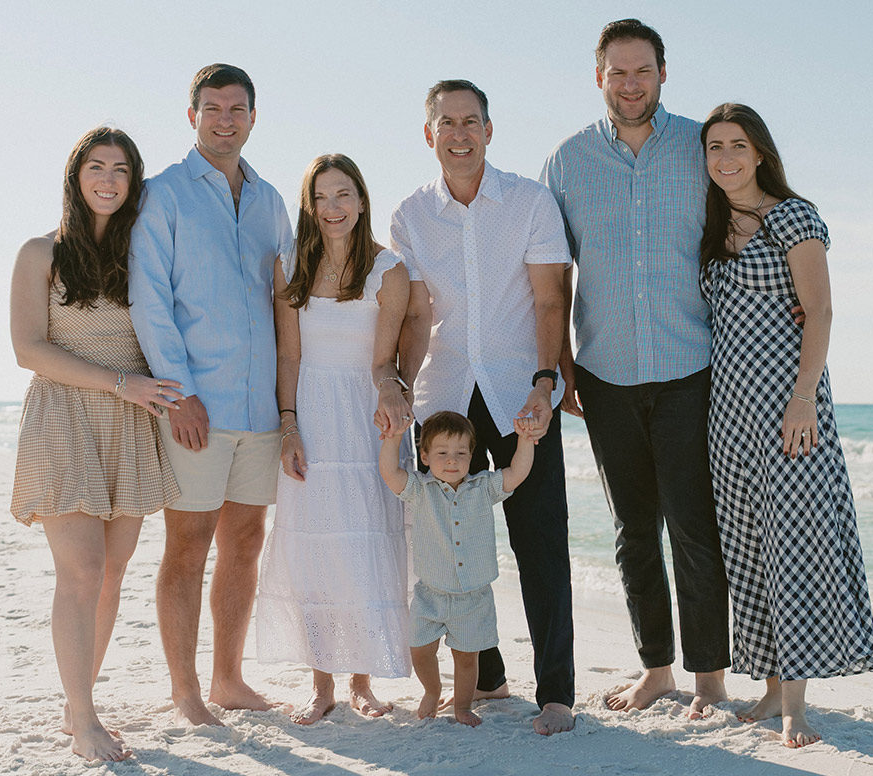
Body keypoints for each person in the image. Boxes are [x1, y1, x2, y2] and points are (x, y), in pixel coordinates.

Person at [540, 19, 730, 718]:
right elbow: (551, 273)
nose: (630, 84)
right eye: (617, 72)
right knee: (633, 532)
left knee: (695, 526)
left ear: (663, 73)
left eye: (642, 70)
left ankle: (708, 678)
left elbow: (749, 222)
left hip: (691, 367)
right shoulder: (567, 162)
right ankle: (657, 670)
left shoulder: (701, 146)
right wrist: (560, 364)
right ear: (599, 77)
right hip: (606, 374)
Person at [390, 79, 575, 735]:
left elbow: (551, 299)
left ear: (489, 130)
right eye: (447, 122)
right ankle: (489, 677)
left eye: (471, 121)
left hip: (520, 392)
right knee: (449, 547)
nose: (460, 134)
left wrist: (544, 382)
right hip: (442, 398)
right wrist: (398, 385)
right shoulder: (410, 214)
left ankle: (556, 694)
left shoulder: (530, 202)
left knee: (541, 542)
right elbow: (416, 315)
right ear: (429, 134)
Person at [699, 103, 873, 748]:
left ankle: (795, 707)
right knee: (749, 549)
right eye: (715, 146)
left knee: (797, 547)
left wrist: (803, 398)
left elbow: (820, 310)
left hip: (788, 409)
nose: (726, 157)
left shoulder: (793, 217)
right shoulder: (713, 224)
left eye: (737, 145)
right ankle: (773, 686)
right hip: (729, 413)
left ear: (760, 153)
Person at [9, 127, 182, 761]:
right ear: (75, 177)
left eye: (121, 169)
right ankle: (84, 720)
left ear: (133, 183)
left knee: (111, 574)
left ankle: (75, 702)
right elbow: (28, 349)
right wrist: (120, 383)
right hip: (64, 416)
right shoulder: (40, 253)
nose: (108, 180)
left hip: (129, 422)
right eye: (96, 167)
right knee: (81, 570)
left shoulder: (144, 256)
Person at [128, 64, 293, 726]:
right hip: (195, 405)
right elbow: (150, 298)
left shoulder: (271, 201)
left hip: (261, 409)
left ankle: (228, 678)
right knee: (188, 544)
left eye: (237, 108)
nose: (225, 120)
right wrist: (180, 394)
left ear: (254, 117)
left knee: (246, 540)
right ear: (191, 115)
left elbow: (287, 299)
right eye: (213, 108)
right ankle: (185, 689)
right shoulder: (163, 194)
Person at [255, 154, 412, 724]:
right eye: (320, 197)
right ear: (309, 206)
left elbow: (383, 362)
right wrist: (289, 426)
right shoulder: (290, 264)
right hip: (313, 420)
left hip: (365, 421)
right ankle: (321, 685)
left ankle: (362, 682)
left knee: (364, 547)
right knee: (314, 551)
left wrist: (392, 391)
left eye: (343, 194)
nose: (332, 208)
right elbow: (289, 355)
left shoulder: (389, 271)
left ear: (362, 200)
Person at [379, 411, 538, 727]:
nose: (452, 460)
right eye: (442, 453)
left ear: (471, 456)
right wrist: (393, 437)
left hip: (473, 596)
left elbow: (517, 472)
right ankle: (432, 689)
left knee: (467, 658)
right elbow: (389, 472)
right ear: (425, 456)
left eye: (460, 453)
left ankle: (463, 705)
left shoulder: (483, 487)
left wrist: (525, 439)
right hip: (430, 594)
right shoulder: (420, 489)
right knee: (420, 649)